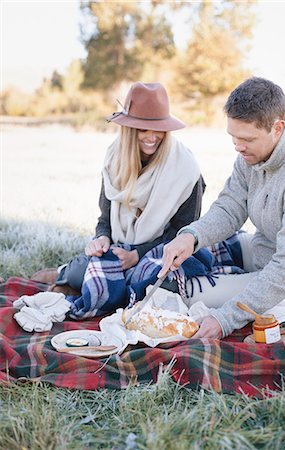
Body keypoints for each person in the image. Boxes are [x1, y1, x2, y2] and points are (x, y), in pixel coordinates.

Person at [48, 82, 205, 316]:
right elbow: (105, 219)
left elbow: (183, 232)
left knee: (156, 282)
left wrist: (137, 254)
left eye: (159, 129)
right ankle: (75, 278)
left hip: (162, 251)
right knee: (82, 270)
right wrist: (102, 238)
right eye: (143, 129)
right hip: (120, 250)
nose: (152, 137)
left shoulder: (186, 170)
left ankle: (87, 285)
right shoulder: (115, 160)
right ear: (129, 129)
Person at [159, 77, 285, 339]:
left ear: (277, 128)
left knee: (185, 292)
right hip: (264, 249)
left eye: (246, 139)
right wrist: (192, 236)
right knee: (196, 248)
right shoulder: (250, 155)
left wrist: (225, 318)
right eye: (233, 137)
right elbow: (230, 205)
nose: (237, 146)